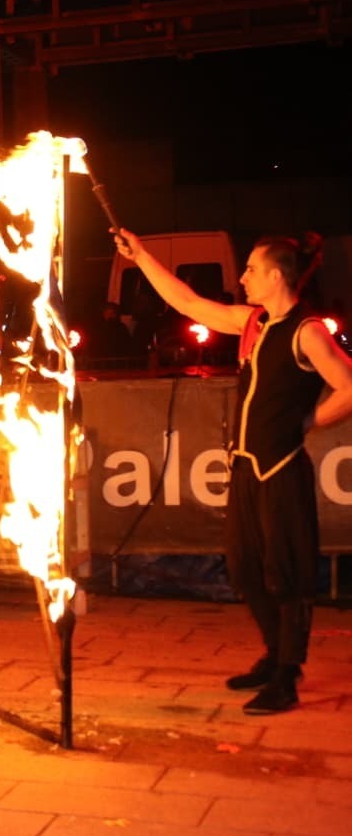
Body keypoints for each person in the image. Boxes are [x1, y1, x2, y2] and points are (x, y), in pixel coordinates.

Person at [115, 228, 352, 714]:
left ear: (275, 274)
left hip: (281, 468)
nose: (241, 277)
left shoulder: (307, 331)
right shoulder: (254, 323)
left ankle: (287, 675)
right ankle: (274, 654)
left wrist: (308, 421)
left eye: (249, 268)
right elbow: (187, 301)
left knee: (288, 573)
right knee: (245, 569)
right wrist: (141, 256)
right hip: (245, 468)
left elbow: (348, 387)